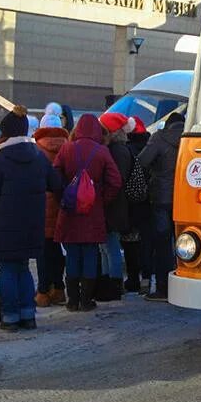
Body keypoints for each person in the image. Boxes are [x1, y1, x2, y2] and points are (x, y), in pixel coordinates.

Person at [0, 106, 58, 331]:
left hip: (5, 224)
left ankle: (10, 317)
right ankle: (28, 315)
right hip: (33, 224)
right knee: (23, 268)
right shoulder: (39, 157)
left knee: (8, 270)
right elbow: (56, 184)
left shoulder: (0, 159)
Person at [53, 114, 121, 312]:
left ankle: (72, 299)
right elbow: (115, 181)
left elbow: (55, 176)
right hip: (93, 210)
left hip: (70, 210)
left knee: (72, 253)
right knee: (91, 253)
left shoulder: (67, 148)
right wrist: (101, 198)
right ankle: (86, 300)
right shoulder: (102, 151)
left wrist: (64, 197)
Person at [138, 111, 185, 302]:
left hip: (162, 198)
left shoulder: (159, 137)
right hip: (186, 198)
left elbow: (142, 160)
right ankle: (186, 286)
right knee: (186, 244)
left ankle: (164, 289)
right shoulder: (191, 137)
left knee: (162, 244)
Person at [32, 114, 68, 307]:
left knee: (43, 251)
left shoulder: (37, 148)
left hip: (41, 205)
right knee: (58, 251)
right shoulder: (68, 146)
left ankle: (43, 290)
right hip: (61, 204)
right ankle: (59, 288)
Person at [97, 112, 132, 301]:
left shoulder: (115, 151)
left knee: (109, 247)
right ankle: (109, 281)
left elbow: (115, 180)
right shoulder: (121, 149)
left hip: (113, 206)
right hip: (116, 205)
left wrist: (105, 196)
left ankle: (113, 282)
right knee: (106, 246)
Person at [123, 117, 151, 294]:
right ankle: (147, 278)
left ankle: (133, 279)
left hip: (131, 204)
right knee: (146, 242)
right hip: (148, 202)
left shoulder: (128, 150)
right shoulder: (150, 146)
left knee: (130, 244)